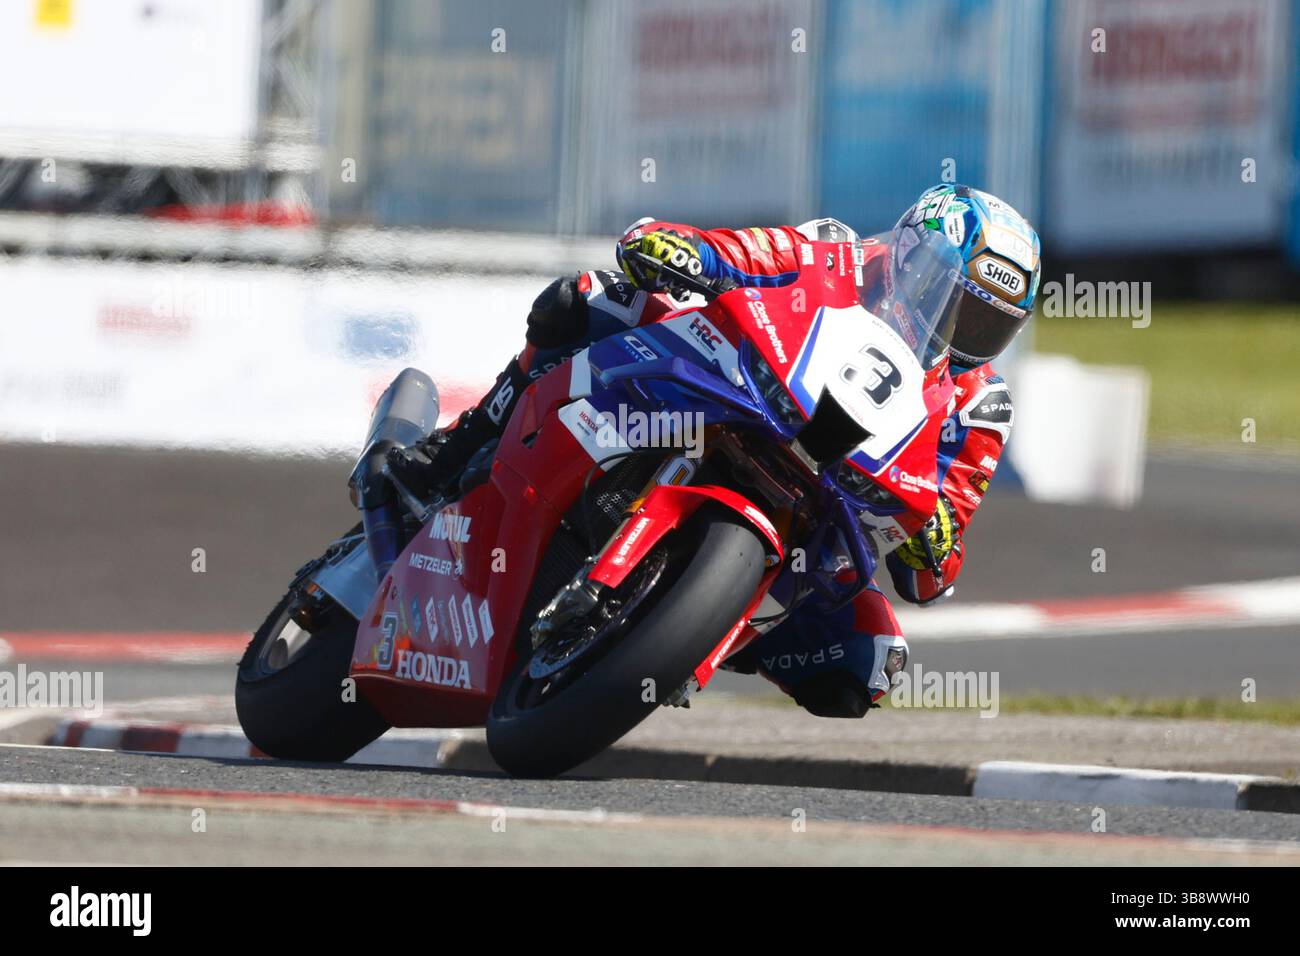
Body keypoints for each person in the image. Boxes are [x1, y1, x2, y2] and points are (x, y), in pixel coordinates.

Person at [388, 184, 1041, 717]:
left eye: (988, 323)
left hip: (818, 526)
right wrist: (684, 251)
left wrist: (936, 540)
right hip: (739, 401)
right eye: (953, 299)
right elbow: (741, 253)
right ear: (910, 256)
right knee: (593, 303)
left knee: (865, 665)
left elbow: (933, 570)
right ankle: (450, 454)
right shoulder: (838, 252)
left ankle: (685, 628)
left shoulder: (979, 405)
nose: (962, 328)